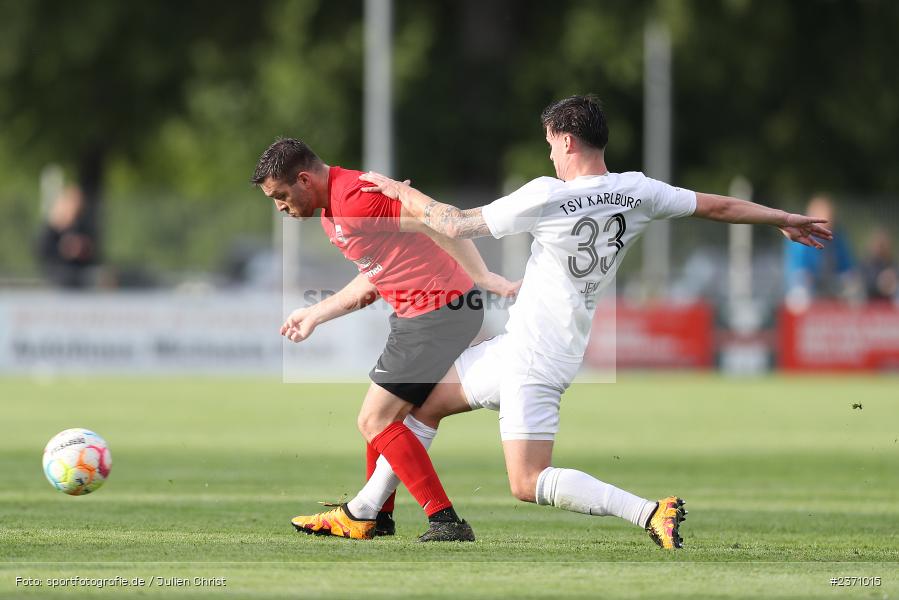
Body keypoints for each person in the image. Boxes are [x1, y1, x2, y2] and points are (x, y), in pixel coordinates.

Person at [322, 94, 832, 550]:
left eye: (550, 143)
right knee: (423, 408)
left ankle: (650, 512)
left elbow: (455, 224)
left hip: (534, 356)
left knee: (526, 482)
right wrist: (784, 219)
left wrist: (397, 192)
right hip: (535, 345)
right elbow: (717, 206)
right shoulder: (638, 190)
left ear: (566, 141)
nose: (549, 154)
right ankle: (364, 511)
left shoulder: (549, 193)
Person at [252, 138, 518, 542]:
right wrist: (316, 314)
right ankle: (374, 515)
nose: (281, 207)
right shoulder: (333, 213)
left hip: (438, 311)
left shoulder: (356, 199)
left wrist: (483, 276)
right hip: (426, 314)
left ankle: (444, 521)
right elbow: (375, 278)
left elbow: (437, 222)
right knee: (386, 419)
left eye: (281, 196)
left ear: (304, 179)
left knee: (373, 419)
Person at [783, 195, 855, 302]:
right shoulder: (800, 236)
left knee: (853, 290)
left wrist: (849, 279)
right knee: (800, 295)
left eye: (830, 216)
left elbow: (847, 267)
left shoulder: (837, 237)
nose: (828, 221)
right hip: (808, 284)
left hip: (833, 283)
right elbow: (798, 270)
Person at [36, 185, 97, 288]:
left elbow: (92, 251)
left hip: (80, 279)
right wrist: (63, 249)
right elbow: (42, 250)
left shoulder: (83, 226)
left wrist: (82, 249)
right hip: (57, 279)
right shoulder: (53, 228)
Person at [861, 228, 898, 303]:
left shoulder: (892, 265)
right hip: (871, 304)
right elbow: (866, 284)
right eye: (879, 245)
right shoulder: (866, 265)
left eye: (883, 245)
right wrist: (881, 282)